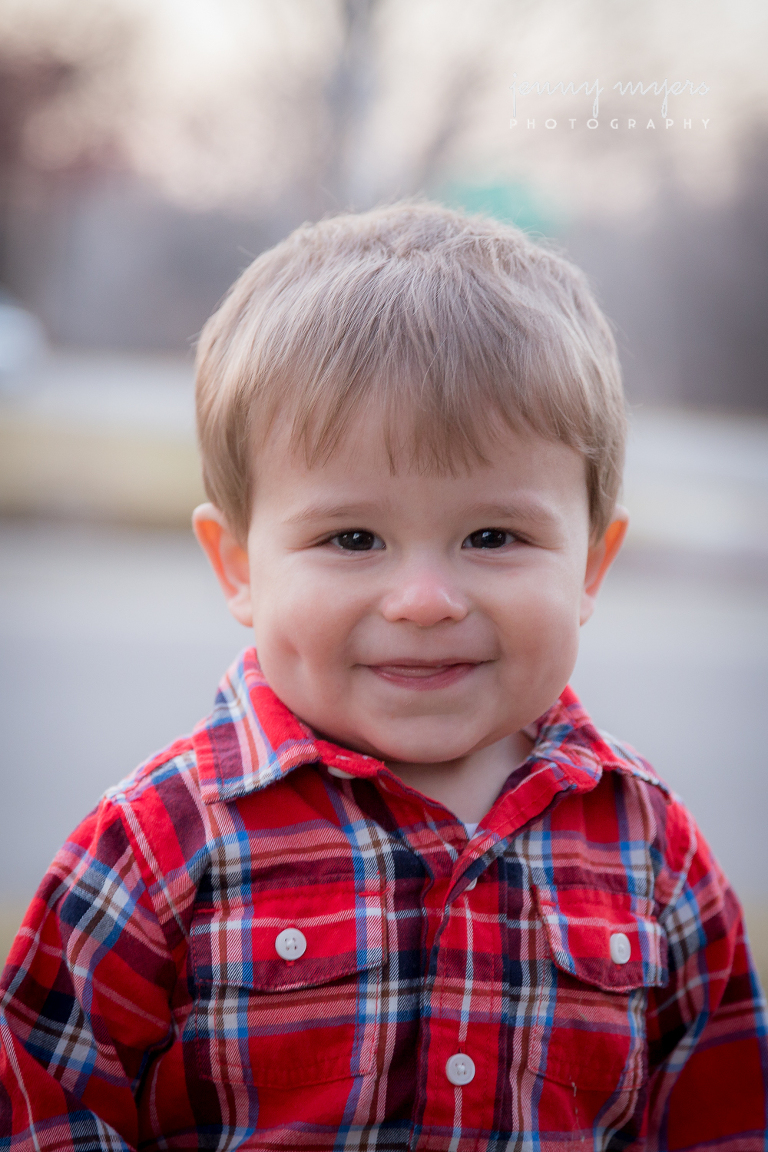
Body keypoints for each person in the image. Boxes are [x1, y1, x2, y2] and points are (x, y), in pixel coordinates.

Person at [1, 202, 765, 1150]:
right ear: (238, 565)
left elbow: (723, 1117)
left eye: (494, 536)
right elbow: (44, 1114)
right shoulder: (157, 852)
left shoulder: (652, 852)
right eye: (352, 538)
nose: (424, 599)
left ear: (591, 568)